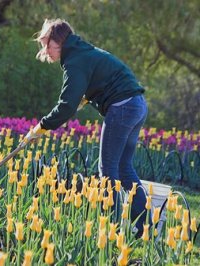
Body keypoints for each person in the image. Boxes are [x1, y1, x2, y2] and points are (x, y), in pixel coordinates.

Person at [23, 18, 149, 236]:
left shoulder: (75, 61)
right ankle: (145, 227)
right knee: (123, 168)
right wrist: (88, 96)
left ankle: (111, 229)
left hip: (121, 107)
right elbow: (99, 80)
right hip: (136, 105)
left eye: (47, 44)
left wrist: (42, 126)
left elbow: (66, 105)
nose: (45, 50)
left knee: (107, 169)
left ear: (60, 41)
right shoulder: (83, 52)